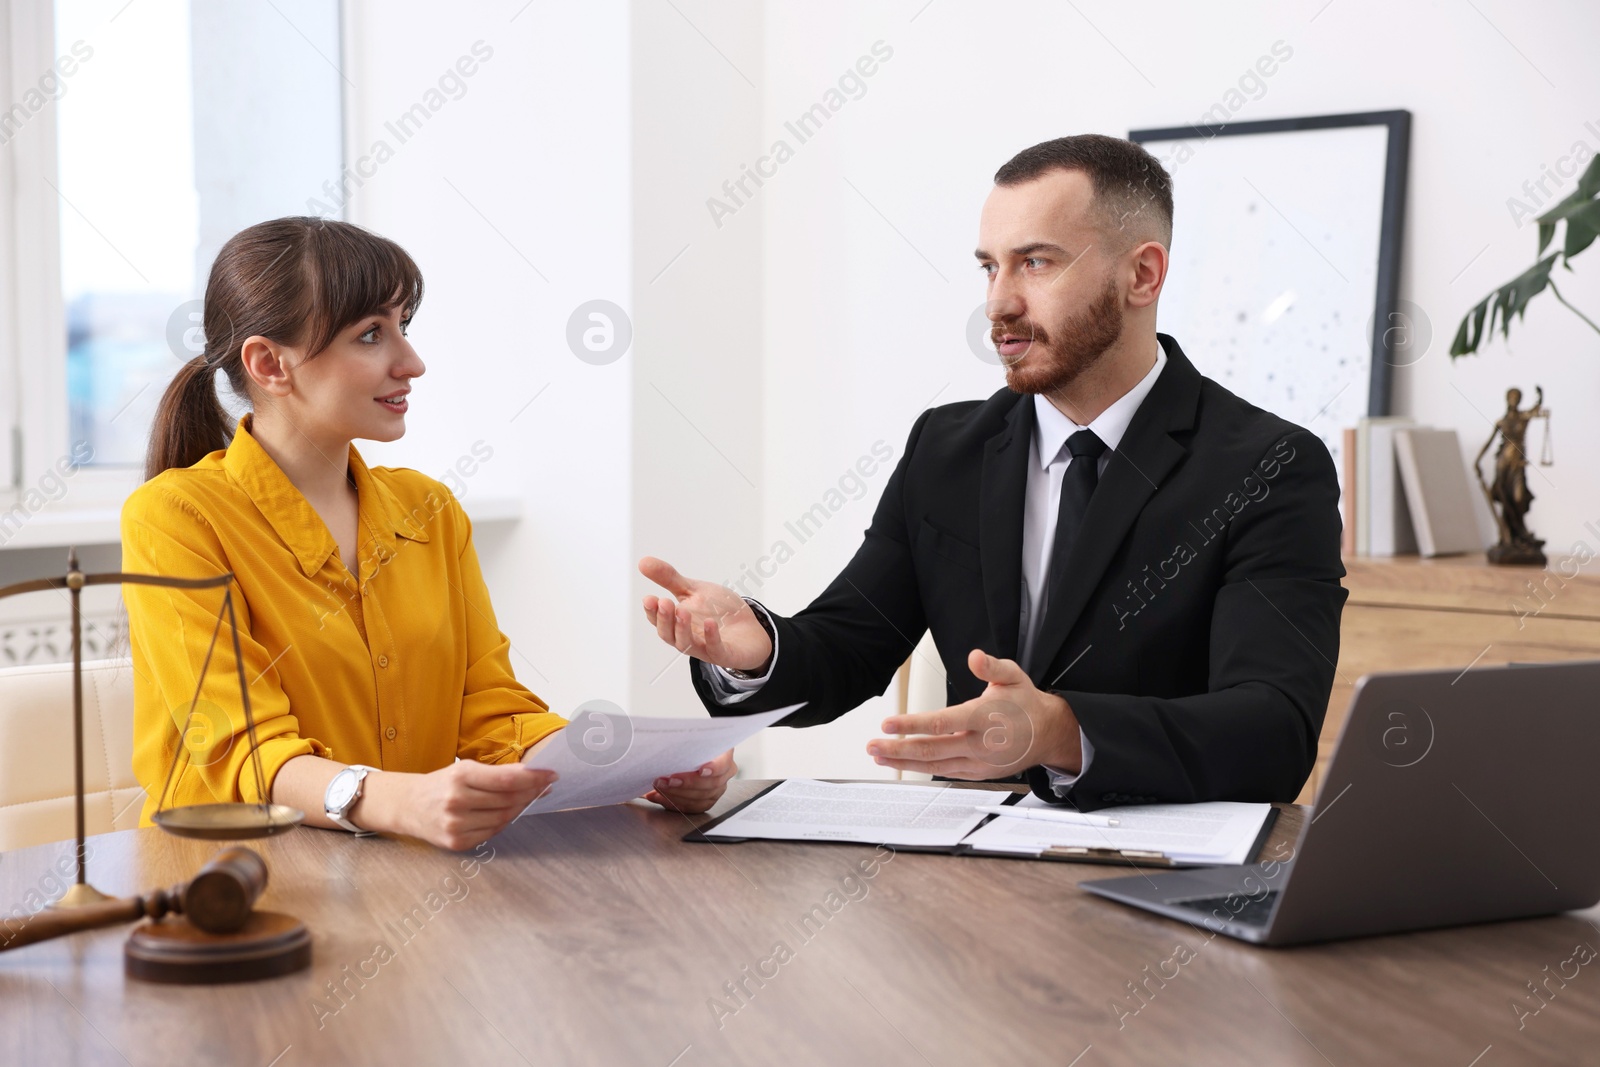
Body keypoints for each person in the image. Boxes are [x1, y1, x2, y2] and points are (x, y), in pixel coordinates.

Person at [640, 135, 1346, 810]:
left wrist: (1060, 730)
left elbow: (1272, 732)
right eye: (990, 265)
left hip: (1154, 878)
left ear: (1142, 273)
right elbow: (850, 647)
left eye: (1036, 263)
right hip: (969, 886)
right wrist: (757, 650)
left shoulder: (1268, 466)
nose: (998, 303)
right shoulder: (947, 449)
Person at [125, 218, 733, 850]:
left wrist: (637, 768)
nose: (411, 363)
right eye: (370, 335)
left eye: (403, 329)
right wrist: (397, 800)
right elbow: (237, 751)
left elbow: (492, 713)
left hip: (400, 875)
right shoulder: (175, 519)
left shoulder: (429, 510)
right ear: (269, 363)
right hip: (231, 885)